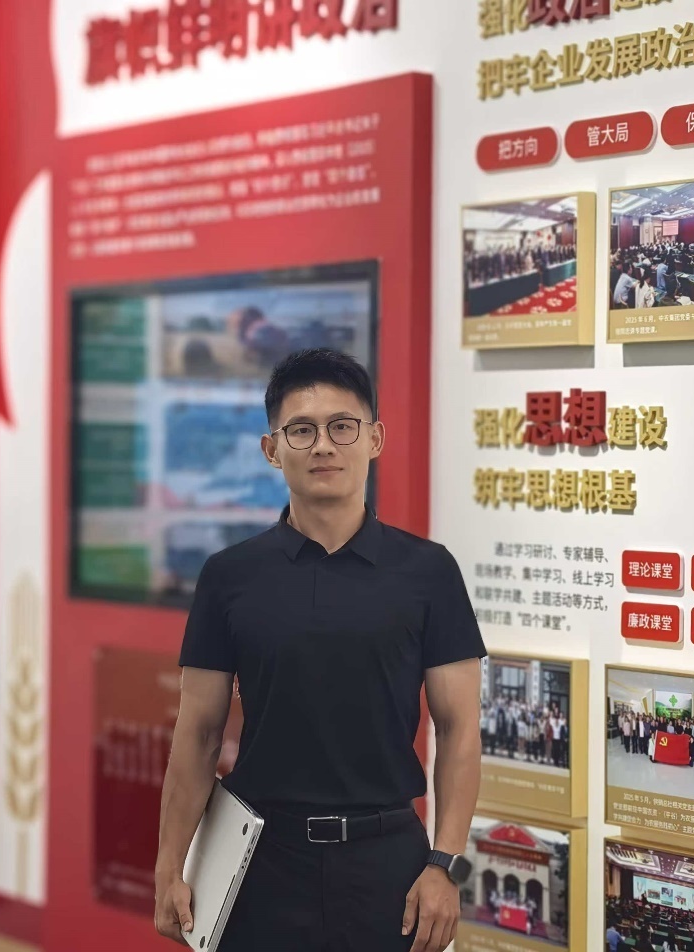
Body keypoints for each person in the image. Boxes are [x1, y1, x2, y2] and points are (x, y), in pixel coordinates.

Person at [156, 349, 487, 952]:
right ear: (272, 449)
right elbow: (198, 732)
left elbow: (459, 728)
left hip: (390, 865)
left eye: (342, 426)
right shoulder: (229, 576)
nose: (324, 446)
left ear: (375, 439)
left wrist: (445, 864)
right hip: (260, 860)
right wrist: (169, 866)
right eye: (301, 430)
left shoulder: (429, 572)